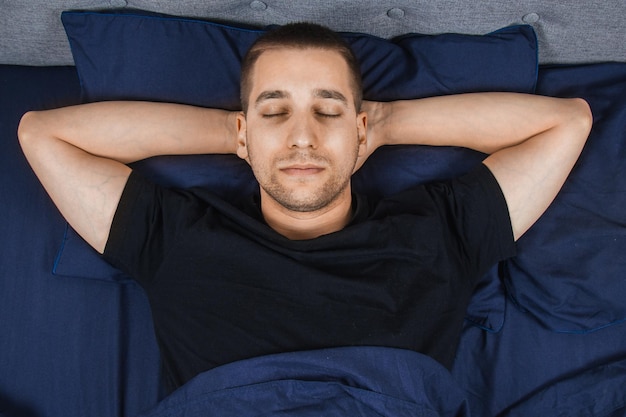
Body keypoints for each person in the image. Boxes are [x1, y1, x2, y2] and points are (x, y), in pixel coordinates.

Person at [18, 23, 592, 392]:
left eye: (328, 111)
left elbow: (568, 121)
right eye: (274, 113)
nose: (302, 138)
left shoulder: (440, 230)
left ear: (360, 128)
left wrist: (386, 124)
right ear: (245, 131)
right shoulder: (176, 236)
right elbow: (43, 134)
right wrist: (232, 131)